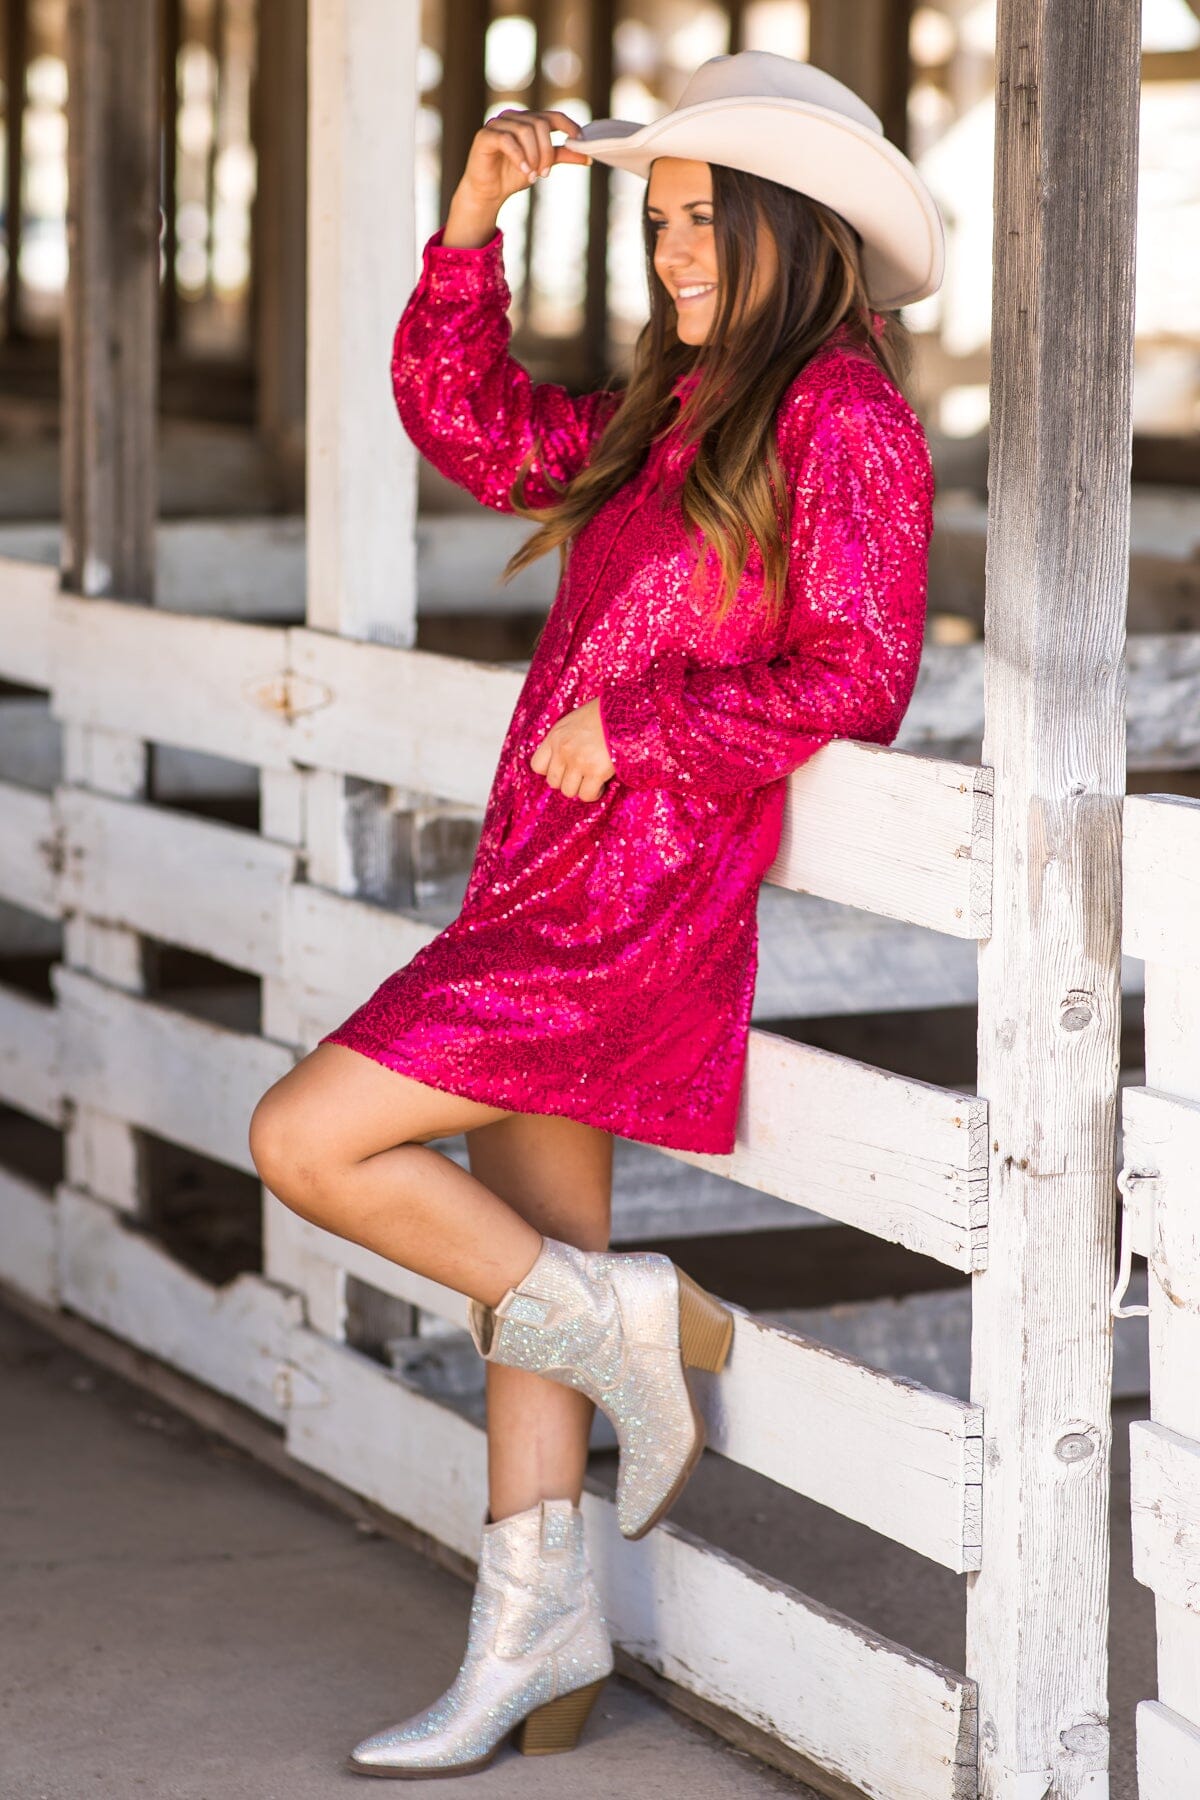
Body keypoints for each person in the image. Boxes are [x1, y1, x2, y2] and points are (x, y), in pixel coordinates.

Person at [248, 48, 944, 1781]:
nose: (673, 251)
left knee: (306, 1139)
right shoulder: (678, 411)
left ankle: (628, 1313)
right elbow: (474, 426)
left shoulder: (841, 417)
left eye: (702, 219)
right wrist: (468, 231)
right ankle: (537, 1639)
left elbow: (861, 671)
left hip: (628, 908)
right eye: (659, 221)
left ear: (793, 225)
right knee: (526, 1281)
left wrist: (639, 726)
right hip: (544, 876)